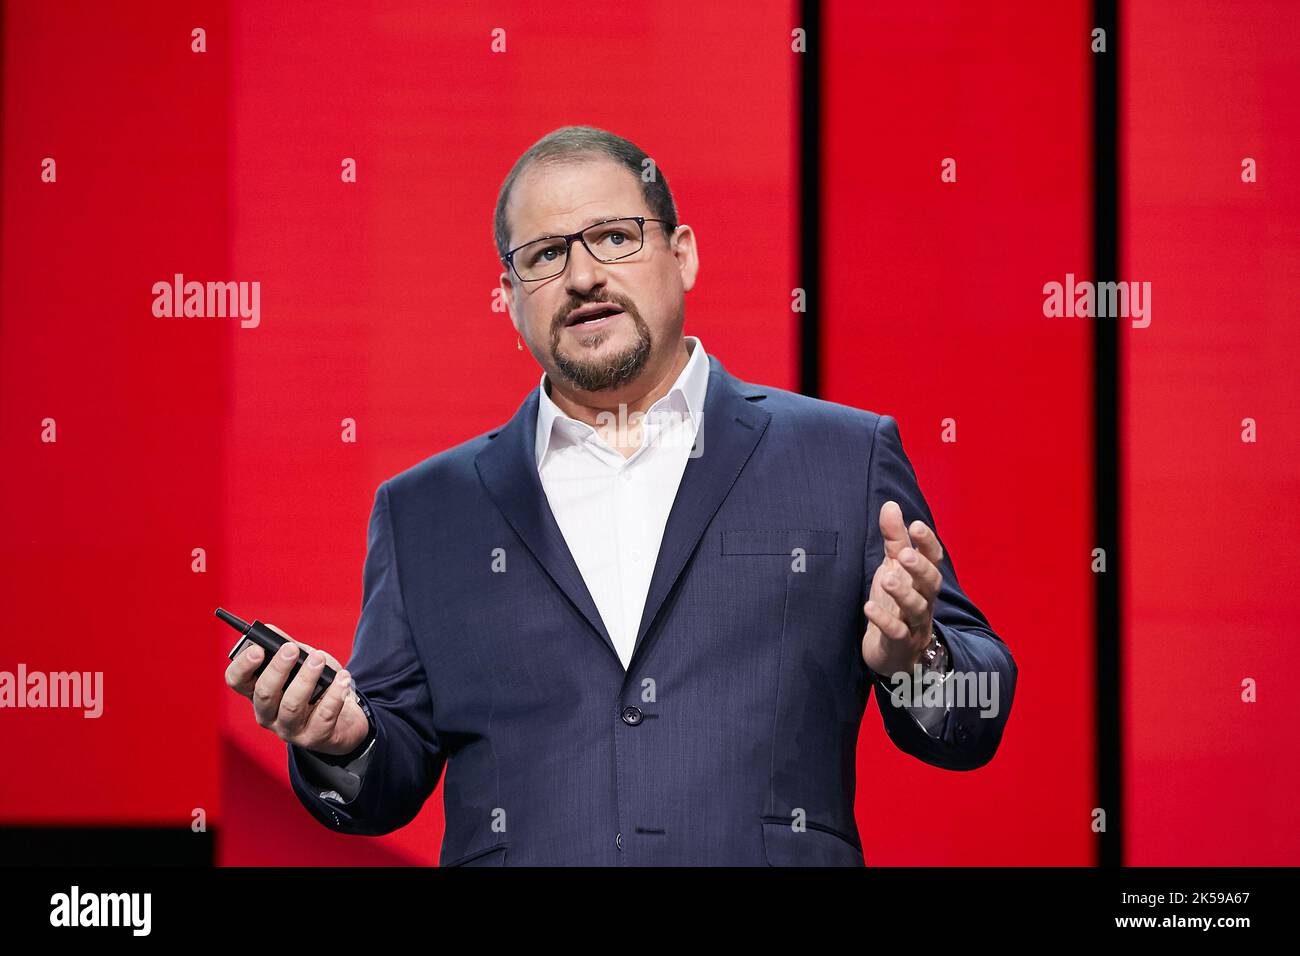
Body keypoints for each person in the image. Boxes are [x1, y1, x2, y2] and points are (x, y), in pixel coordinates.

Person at [224, 125, 1017, 866]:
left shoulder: (841, 455)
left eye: (614, 237)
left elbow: (973, 721)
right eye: (543, 256)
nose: (582, 276)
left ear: (683, 255)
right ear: (507, 297)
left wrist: (915, 660)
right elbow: (381, 783)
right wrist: (340, 739)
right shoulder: (425, 510)